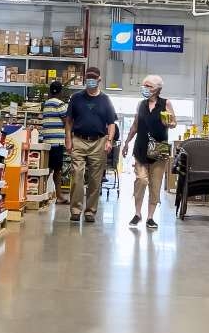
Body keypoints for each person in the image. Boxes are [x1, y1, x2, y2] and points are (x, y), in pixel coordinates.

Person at [122, 74, 176, 228]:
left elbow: (173, 123)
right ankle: (137, 213)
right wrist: (126, 143)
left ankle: (150, 217)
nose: (145, 89)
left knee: (155, 184)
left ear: (157, 89)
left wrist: (169, 122)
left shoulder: (166, 103)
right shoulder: (141, 105)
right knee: (141, 180)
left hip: (159, 149)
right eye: (144, 85)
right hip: (141, 148)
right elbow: (135, 126)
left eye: (149, 86)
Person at [64, 66, 117, 223]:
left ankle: (90, 212)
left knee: (95, 179)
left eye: (94, 79)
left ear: (99, 80)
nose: (91, 81)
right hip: (78, 140)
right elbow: (69, 121)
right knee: (77, 175)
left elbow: (111, 123)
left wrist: (109, 140)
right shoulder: (76, 98)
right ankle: (75, 210)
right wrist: (68, 139)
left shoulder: (105, 100)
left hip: (99, 142)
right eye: (88, 79)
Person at [41, 81, 69, 204]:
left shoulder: (46, 104)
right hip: (57, 142)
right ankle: (59, 196)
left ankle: (39, 192)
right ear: (61, 92)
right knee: (56, 170)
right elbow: (66, 122)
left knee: (47, 169)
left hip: (47, 141)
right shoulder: (60, 104)